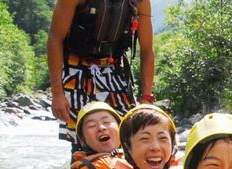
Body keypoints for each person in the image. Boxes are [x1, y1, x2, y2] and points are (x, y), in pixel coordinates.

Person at [47, 0, 155, 152]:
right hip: (76, 71)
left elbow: (147, 49)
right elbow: (55, 38)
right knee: (83, 141)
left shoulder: (140, 1)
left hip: (114, 71)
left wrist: (146, 97)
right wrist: (57, 93)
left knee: (125, 136)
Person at [70, 101, 123, 169]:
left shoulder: (141, 158)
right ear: (82, 140)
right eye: (92, 125)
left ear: (121, 129)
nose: (101, 128)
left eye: (106, 122)